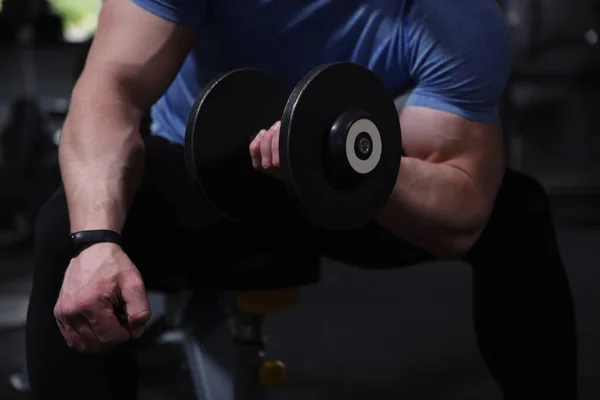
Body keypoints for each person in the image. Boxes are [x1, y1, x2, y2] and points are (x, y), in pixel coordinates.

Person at [26, 0, 577, 398]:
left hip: (340, 188)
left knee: (516, 213)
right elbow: (109, 93)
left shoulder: (453, 17)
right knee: (67, 234)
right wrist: (97, 239)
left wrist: (330, 162)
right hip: (204, 177)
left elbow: (464, 210)